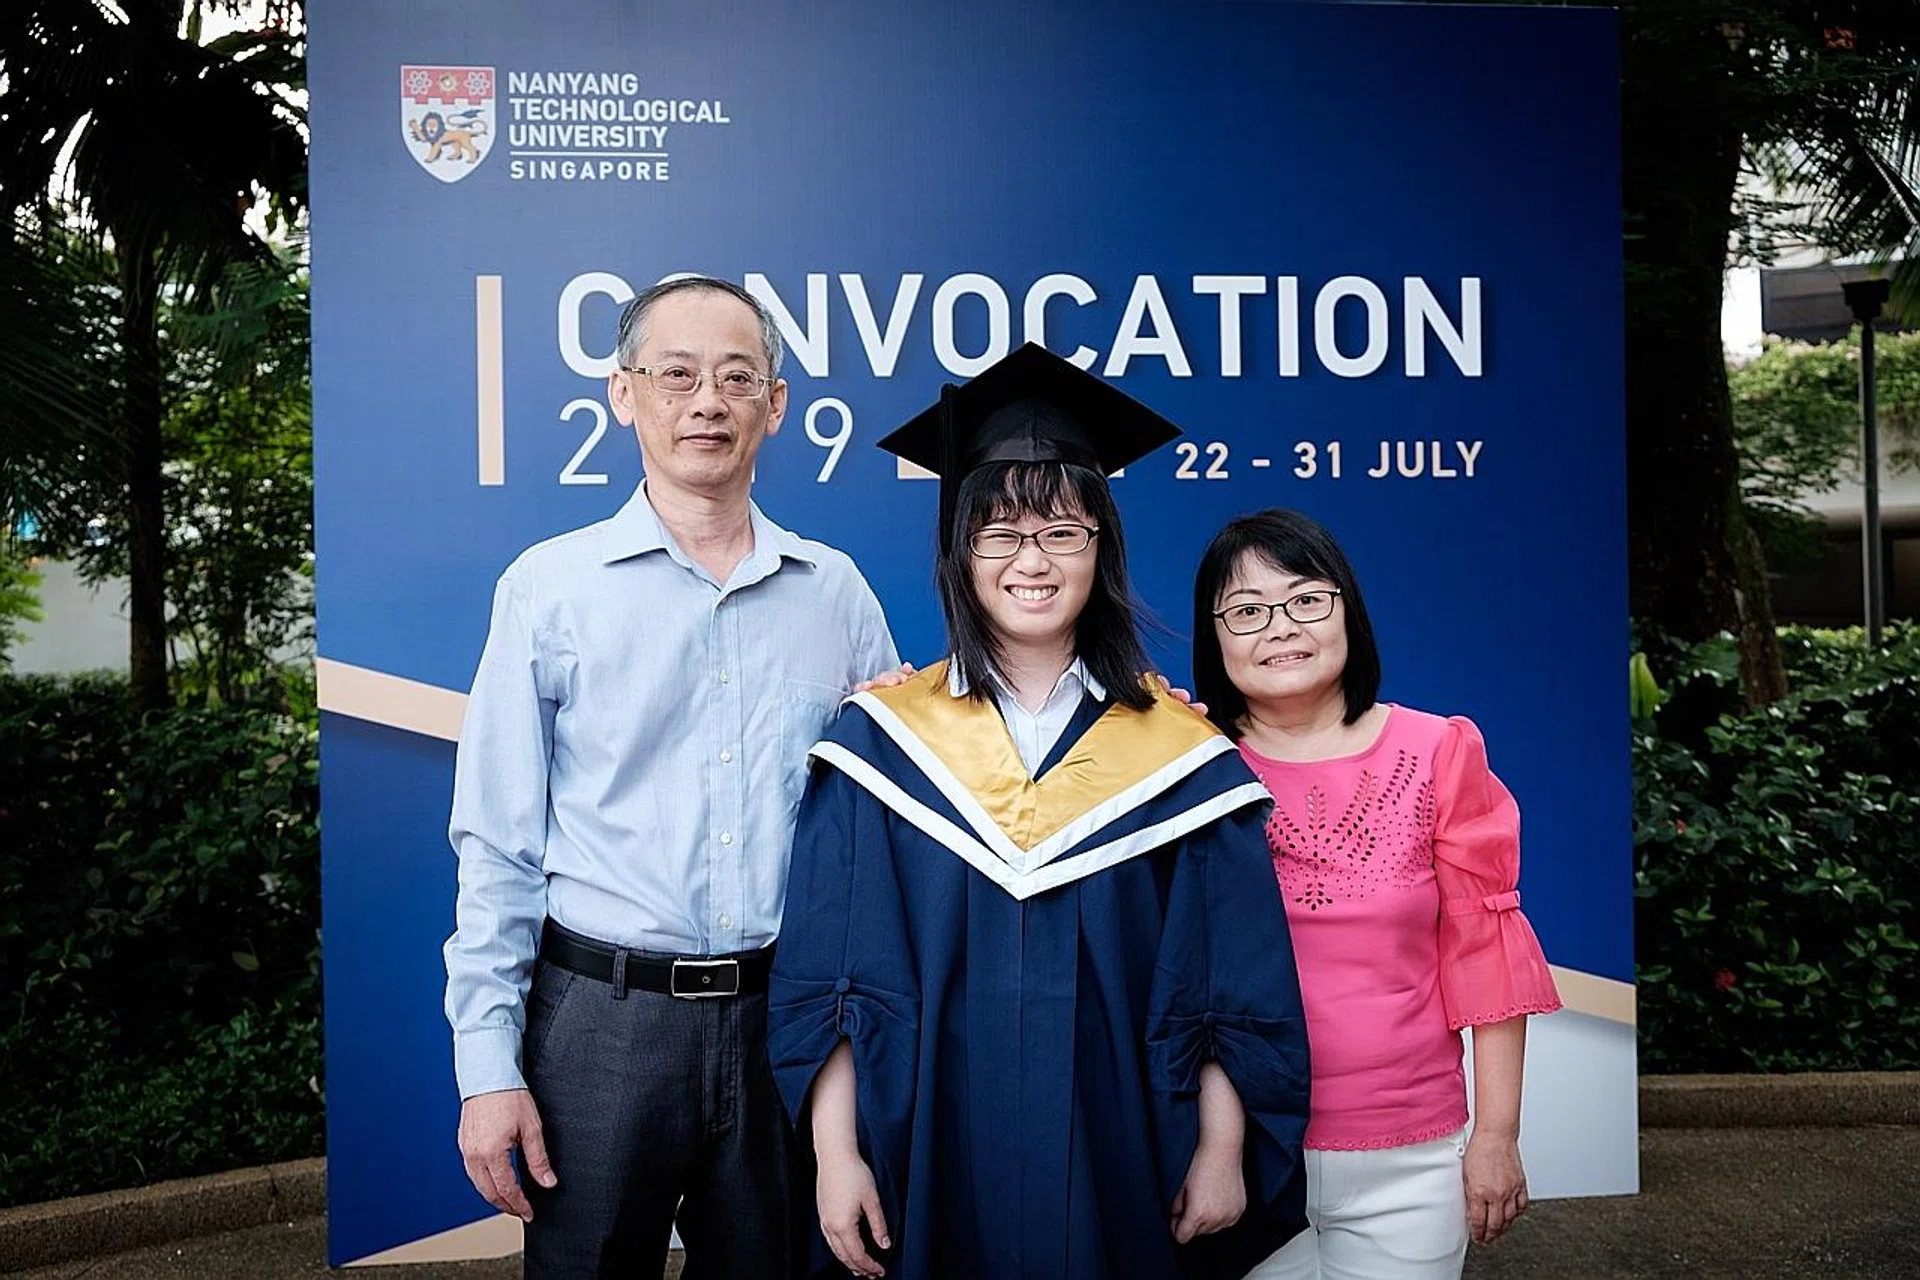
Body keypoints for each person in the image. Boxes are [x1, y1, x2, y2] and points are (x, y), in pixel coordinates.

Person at [767, 343, 1312, 1280]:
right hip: (932, 1147)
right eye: (1003, 534)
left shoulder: (1177, 755)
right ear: (961, 551)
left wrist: (1222, 1150)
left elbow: (1224, 983)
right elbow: (839, 983)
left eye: (1063, 532)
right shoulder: (880, 745)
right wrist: (835, 1156)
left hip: (1124, 1145)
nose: (1033, 561)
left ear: (1100, 551)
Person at [443, 275, 899, 1278]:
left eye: (739, 376)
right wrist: (486, 1066)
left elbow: (899, 813)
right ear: (624, 393)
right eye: (677, 373)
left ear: (775, 405)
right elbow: (498, 844)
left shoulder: (838, 595)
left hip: (784, 1023)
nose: (708, 400)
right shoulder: (548, 590)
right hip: (600, 1026)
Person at [1190, 508, 1563, 1280]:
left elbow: (1485, 951)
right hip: (1242, 1153)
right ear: (1214, 638)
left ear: (1347, 610)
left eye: (1305, 599)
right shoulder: (1191, 770)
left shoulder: (1437, 752)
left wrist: (1496, 1135)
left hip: (1410, 1160)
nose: (1279, 627)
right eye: (1247, 611)